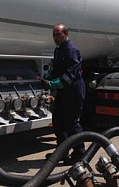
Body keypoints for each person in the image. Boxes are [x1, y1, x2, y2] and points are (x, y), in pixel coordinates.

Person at [43, 23, 86, 165]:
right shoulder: (58, 50)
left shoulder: (72, 50)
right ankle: (62, 152)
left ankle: (79, 153)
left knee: (72, 123)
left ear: (66, 35)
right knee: (58, 122)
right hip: (63, 92)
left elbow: (70, 75)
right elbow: (56, 71)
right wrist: (48, 81)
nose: (55, 37)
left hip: (73, 90)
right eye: (54, 35)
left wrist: (54, 84)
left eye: (58, 34)